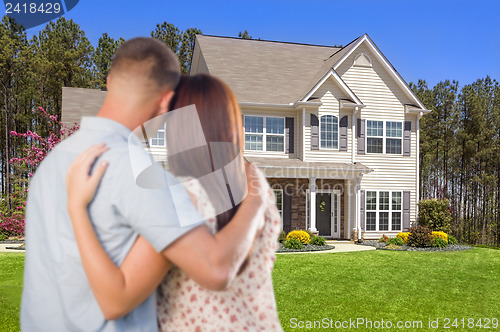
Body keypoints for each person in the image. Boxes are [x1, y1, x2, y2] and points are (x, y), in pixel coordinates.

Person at [21, 38, 267, 331]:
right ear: (166, 101)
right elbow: (215, 269)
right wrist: (254, 201)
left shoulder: (52, 163)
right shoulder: (142, 175)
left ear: (110, 81)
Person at [65, 74, 283, 331]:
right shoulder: (260, 192)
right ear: (235, 128)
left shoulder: (181, 199)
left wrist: (76, 206)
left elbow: (115, 300)